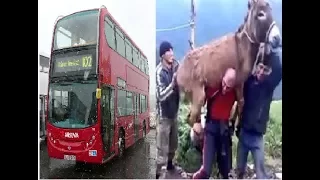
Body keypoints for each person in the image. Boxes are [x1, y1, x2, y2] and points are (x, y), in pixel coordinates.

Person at [235, 23, 282, 179]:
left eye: (265, 70)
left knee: (261, 174)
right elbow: (242, 68)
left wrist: (273, 47)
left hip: (257, 138)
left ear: (268, 72)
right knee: (239, 171)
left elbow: (279, 69)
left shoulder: (268, 86)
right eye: (260, 68)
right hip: (243, 134)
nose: (261, 71)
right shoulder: (248, 83)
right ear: (256, 68)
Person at [192, 68, 237, 179]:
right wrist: (196, 121)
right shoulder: (213, 87)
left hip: (224, 130)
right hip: (210, 128)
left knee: (226, 171)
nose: (225, 89)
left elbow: (240, 105)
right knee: (205, 171)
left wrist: (235, 123)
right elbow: (197, 102)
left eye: (229, 87)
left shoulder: (236, 91)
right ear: (222, 79)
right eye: (224, 84)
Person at [155, 41, 180, 179]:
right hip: (164, 116)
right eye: (169, 51)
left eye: (172, 50)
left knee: (173, 144)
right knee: (162, 148)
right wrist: (172, 84)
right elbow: (160, 95)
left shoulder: (175, 67)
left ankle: (170, 164)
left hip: (174, 113)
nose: (172, 53)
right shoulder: (159, 72)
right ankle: (159, 173)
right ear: (163, 54)